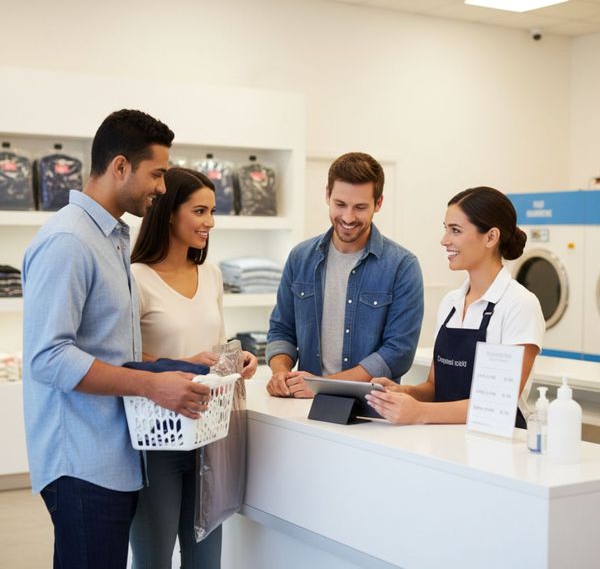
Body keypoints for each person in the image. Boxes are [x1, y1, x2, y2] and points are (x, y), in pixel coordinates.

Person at [22, 110, 212, 569]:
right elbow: (48, 358)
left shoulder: (107, 238)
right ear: (121, 166)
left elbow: (112, 352)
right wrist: (151, 386)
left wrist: (177, 367)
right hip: (82, 463)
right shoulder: (69, 241)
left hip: (112, 457)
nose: (162, 188)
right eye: (157, 174)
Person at [129, 167, 257, 569]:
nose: (210, 222)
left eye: (212, 211)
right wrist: (182, 363)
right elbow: (125, 359)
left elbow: (215, 347)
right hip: (157, 438)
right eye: (200, 211)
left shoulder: (212, 274)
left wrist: (237, 358)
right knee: (153, 560)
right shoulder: (136, 278)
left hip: (208, 433)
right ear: (169, 212)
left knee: (206, 561)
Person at [366, 186, 545, 427]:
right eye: (446, 229)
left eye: (456, 230)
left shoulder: (519, 305)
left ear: (491, 237)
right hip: (446, 438)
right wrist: (403, 393)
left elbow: (497, 404)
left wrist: (419, 412)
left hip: (497, 445)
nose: (444, 240)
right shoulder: (451, 302)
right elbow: (435, 388)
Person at [266, 152, 424, 398]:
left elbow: (398, 351)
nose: (348, 217)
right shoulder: (300, 257)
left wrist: (323, 385)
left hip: (370, 409)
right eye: (340, 204)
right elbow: (282, 330)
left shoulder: (402, 266)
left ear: (378, 203)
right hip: (303, 405)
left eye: (360, 207)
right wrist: (280, 372)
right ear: (327, 195)